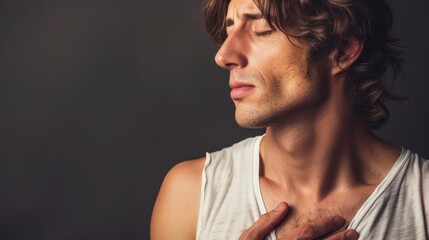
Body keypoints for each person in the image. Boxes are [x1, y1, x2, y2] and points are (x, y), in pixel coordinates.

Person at [151, 0, 429, 239]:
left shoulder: (423, 202)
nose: (223, 55)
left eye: (261, 30)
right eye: (229, 28)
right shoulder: (191, 196)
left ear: (342, 50)